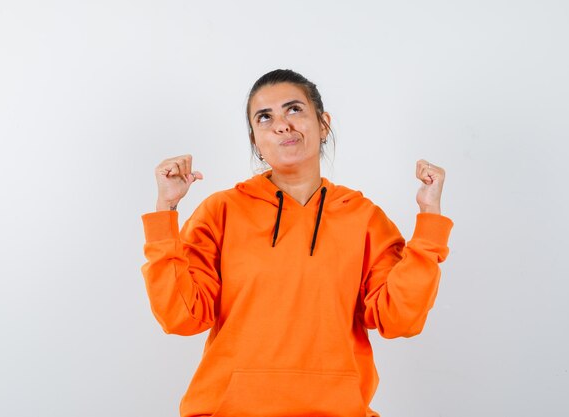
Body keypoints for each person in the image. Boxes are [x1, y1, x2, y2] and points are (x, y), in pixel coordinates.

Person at [140, 69, 453, 417]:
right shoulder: (221, 211)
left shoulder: (363, 217)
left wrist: (429, 219)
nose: (282, 125)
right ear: (255, 140)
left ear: (322, 125)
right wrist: (165, 210)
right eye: (265, 117)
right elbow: (180, 316)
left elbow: (401, 319)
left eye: (294, 109)